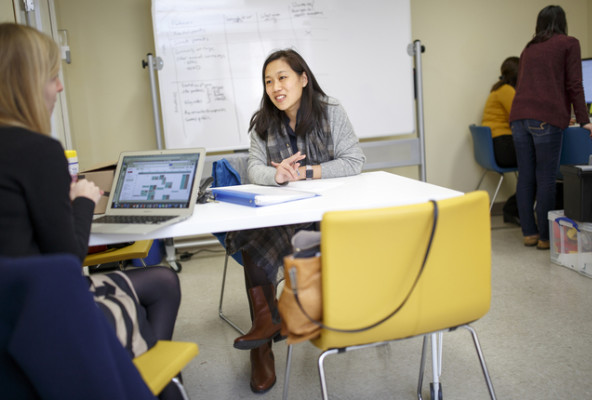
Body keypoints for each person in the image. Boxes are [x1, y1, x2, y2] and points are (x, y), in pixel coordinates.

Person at [0, 23, 182, 399]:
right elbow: (66, 263)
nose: (60, 87)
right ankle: (145, 382)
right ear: (27, 84)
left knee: (160, 281)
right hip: (37, 316)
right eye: (53, 77)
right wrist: (82, 199)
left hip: (11, 308)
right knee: (163, 282)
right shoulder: (36, 151)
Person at [225, 49, 365, 394]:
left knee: (263, 240)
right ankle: (263, 336)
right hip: (286, 213)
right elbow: (255, 168)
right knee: (254, 242)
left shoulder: (330, 111)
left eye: (283, 77)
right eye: (269, 81)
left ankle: (264, 330)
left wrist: (304, 172)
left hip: (329, 215)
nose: (276, 87)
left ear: (303, 79)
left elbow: (354, 161)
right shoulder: (262, 122)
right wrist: (276, 177)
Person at [509, 5, 592, 250]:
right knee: (546, 178)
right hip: (545, 118)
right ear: (563, 22)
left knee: (526, 177)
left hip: (518, 117)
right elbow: (575, 84)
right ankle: (545, 237)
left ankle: (529, 233)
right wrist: (584, 119)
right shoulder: (568, 43)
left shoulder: (530, 48)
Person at [482, 56, 520, 225]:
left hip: (497, 146)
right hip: (503, 146)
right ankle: (511, 208)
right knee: (538, 165)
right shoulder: (507, 91)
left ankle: (514, 209)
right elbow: (521, 115)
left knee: (534, 166)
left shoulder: (497, 90)